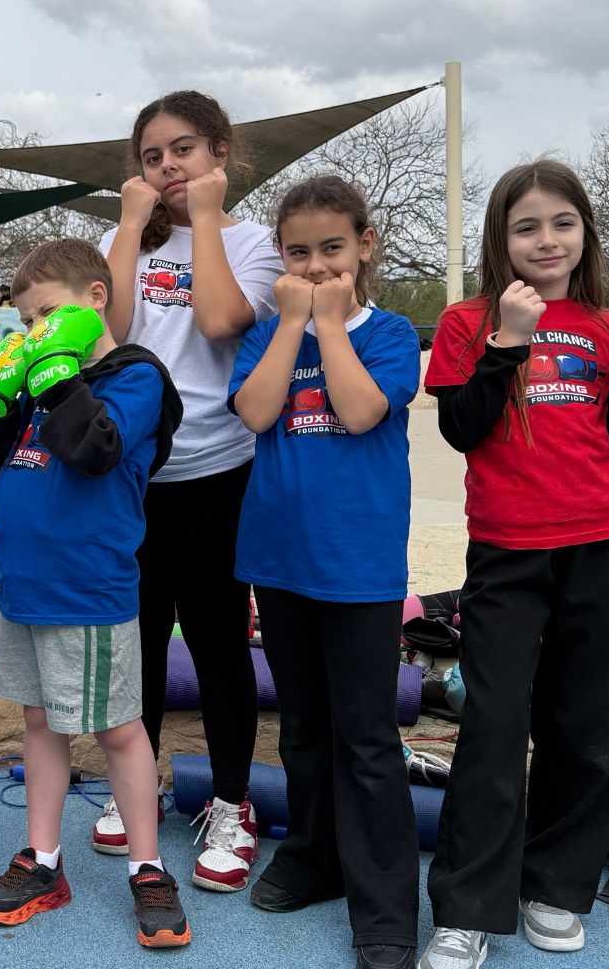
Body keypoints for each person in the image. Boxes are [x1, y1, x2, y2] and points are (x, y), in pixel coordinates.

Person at [417, 159, 609, 969]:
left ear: (585, 231)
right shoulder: (469, 319)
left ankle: (555, 886)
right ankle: (467, 909)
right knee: (493, 724)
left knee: (589, 724)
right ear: (501, 238)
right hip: (508, 551)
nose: (547, 240)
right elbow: (462, 429)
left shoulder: (604, 322)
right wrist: (507, 343)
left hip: (601, 545)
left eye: (562, 223)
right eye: (527, 227)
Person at [0, 238, 192, 947]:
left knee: (118, 729)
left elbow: (96, 452)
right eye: (27, 321)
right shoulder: (40, 381)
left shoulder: (135, 377)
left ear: (96, 299)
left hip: (88, 587)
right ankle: (44, 860)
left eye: (47, 314)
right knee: (40, 724)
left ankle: (148, 868)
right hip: (25, 584)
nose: (36, 331)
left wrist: (57, 378)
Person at [229, 176, 422, 969]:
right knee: (303, 727)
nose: (314, 267)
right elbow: (255, 411)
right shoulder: (266, 335)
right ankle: (315, 858)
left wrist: (330, 324)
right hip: (279, 562)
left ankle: (386, 906)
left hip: (359, 570)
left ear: (364, 245)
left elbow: (361, 410)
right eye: (298, 252)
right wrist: (291, 324)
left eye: (332, 249)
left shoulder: (391, 333)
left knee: (367, 738)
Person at [96, 90, 280, 891]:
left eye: (182, 150)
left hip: (216, 471)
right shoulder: (122, 238)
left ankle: (232, 804)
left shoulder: (254, 242)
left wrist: (203, 218)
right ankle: (133, 785)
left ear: (219, 154)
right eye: (151, 156)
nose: (167, 166)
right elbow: (108, 333)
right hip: (133, 476)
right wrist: (131, 225)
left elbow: (217, 321)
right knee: (135, 640)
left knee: (216, 644)